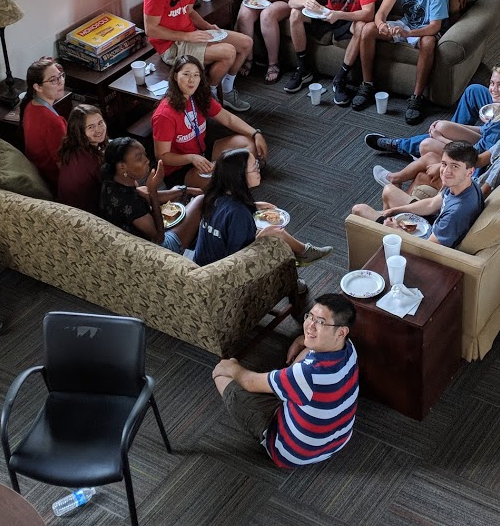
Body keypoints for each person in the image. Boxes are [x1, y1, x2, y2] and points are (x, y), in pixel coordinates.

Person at [212, 293, 358, 468]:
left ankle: (277, 402)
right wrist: (302, 339)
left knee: (221, 374)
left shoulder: (306, 374)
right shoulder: (349, 349)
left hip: (291, 453)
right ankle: (287, 391)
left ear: (341, 332)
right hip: (339, 440)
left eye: (320, 322)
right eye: (310, 316)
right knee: (306, 354)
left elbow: (249, 381)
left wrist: (231, 365)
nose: (310, 326)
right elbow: (312, 354)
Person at [368, 63, 500, 187]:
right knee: (445, 124)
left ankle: (402, 150)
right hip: (482, 144)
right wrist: (446, 127)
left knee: (426, 145)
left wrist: (440, 138)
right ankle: (414, 149)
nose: (493, 89)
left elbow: (475, 155)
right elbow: (485, 131)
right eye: (492, 83)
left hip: (476, 162)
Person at [143, 0, 253, 112]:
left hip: (191, 35)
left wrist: (208, 27)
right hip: (171, 47)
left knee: (246, 43)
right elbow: (151, 30)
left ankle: (227, 90)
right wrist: (187, 35)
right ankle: (207, 96)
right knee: (228, 52)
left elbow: (189, 11)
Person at [351, 0, 449, 125]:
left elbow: (435, 27)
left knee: (428, 43)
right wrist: (381, 26)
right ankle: (367, 85)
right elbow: (381, 13)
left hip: (424, 29)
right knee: (367, 30)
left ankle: (416, 97)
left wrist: (408, 33)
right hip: (405, 24)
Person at [194, 148, 333, 267]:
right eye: (254, 168)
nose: (258, 169)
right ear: (240, 177)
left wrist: (252, 206)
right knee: (276, 239)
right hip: (220, 276)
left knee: (274, 232)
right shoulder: (239, 213)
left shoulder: (213, 196)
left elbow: (225, 222)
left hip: (203, 265)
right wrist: (261, 237)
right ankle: (293, 270)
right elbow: (237, 258)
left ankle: (303, 255)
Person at [152, 55, 268, 190]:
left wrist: (256, 133)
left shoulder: (199, 96)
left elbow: (229, 119)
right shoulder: (164, 115)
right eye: (186, 74)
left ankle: (235, 177)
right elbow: (162, 156)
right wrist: (191, 158)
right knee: (217, 182)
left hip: (203, 151)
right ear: (175, 76)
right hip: (181, 167)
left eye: (196, 75)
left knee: (249, 143)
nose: (191, 80)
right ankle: (239, 177)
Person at [284, 0, 377, 103]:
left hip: (349, 18)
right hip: (327, 14)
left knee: (362, 27)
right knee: (294, 13)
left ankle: (340, 78)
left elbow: (369, 14)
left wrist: (339, 15)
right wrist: (305, 2)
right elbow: (293, 0)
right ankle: (303, 69)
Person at [352, 141, 484, 249]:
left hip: (424, 245)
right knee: (389, 190)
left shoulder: (457, 213)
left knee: (359, 210)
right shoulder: (464, 185)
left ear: (470, 171)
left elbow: (428, 248)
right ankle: (384, 239)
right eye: (444, 164)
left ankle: (386, 243)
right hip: (431, 223)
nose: (445, 172)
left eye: (455, 166)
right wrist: (394, 211)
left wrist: (397, 230)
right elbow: (432, 203)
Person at [100, 137, 203, 253]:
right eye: (139, 158)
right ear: (122, 166)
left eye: (145, 154)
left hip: (147, 232)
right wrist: (153, 191)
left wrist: (186, 190)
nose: (147, 160)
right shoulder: (130, 203)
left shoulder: (114, 180)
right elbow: (159, 238)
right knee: (200, 200)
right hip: (157, 250)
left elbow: (145, 194)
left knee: (177, 190)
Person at [20, 57, 67, 190]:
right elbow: (64, 166)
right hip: (55, 182)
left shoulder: (30, 106)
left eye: (61, 76)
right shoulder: (53, 122)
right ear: (37, 87)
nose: (60, 82)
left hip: (42, 174)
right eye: (53, 80)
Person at [57, 104, 108, 214]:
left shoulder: (71, 148)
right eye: (91, 127)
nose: (99, 129)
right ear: (79, 131)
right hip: (90, 217)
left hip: (68, 209)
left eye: (100, 123)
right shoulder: (94, 161)